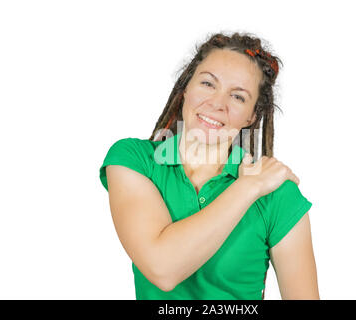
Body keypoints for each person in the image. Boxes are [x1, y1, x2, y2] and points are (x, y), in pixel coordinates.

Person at [99, 32, 319, 300]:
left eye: (238, 97)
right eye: (207, 83)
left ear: (252, 116)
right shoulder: (134, 160)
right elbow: (162, 267)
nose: (217, 103)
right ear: (186, 88)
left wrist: (256, 186)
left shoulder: (277, 195)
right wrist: (247, 188)